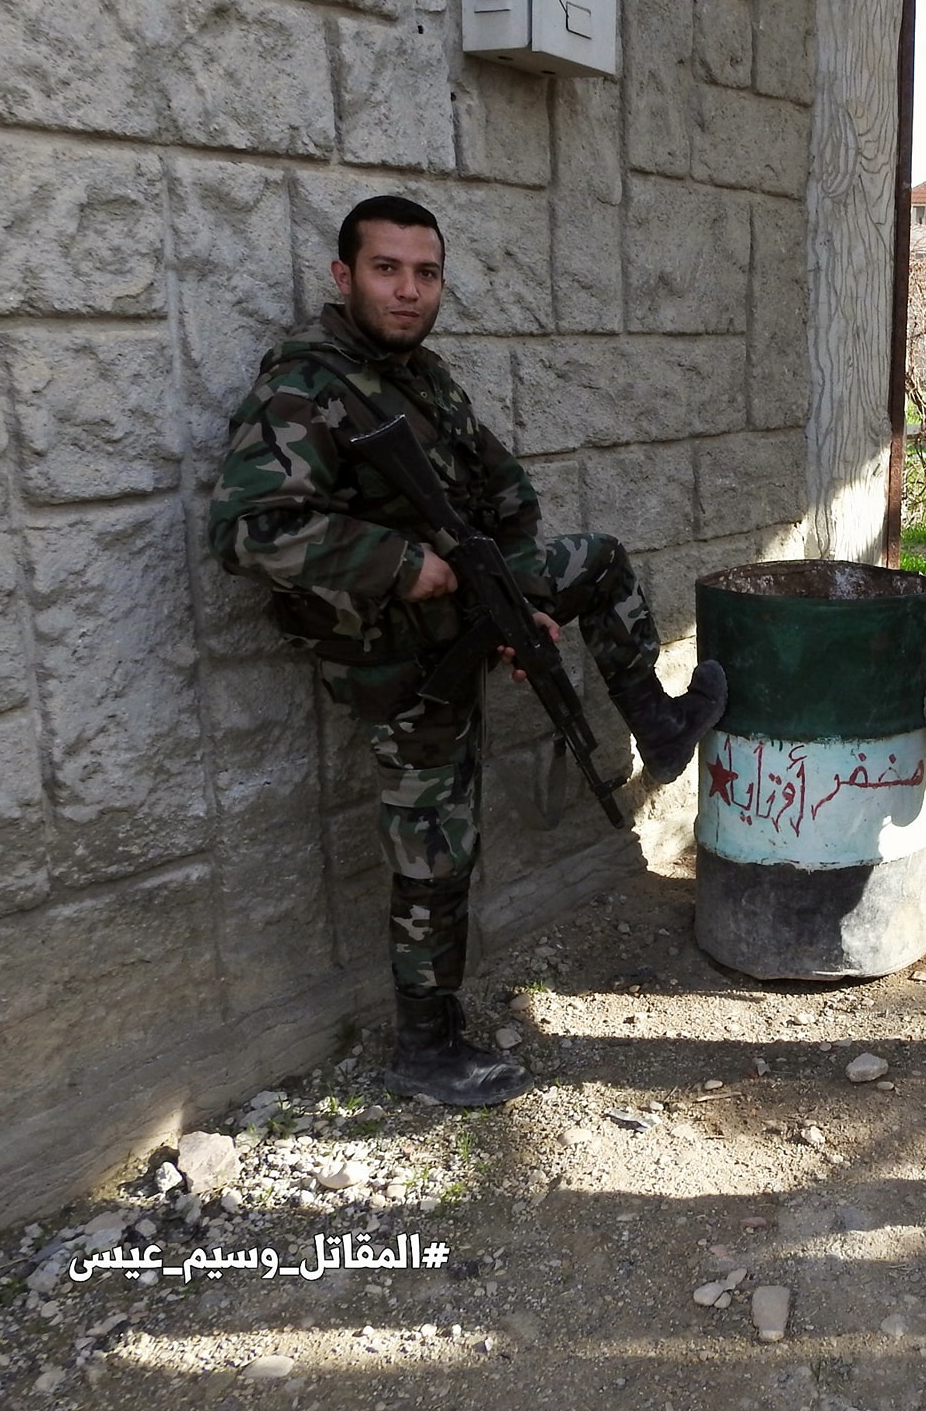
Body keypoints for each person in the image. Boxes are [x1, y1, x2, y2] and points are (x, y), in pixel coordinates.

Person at [209, 196, 726, 1109]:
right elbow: (250, 531)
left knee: (595, 561)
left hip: (462, 618)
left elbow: (505, 493)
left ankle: (659, 723)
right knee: (436, 848)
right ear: (344, 277)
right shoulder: (306, 383)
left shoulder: (427, 380)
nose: (408, 292)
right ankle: (427, 1047)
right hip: (397, 658)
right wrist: (410, 565)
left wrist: (511, 600)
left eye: (426, 273)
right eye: (386, 269)